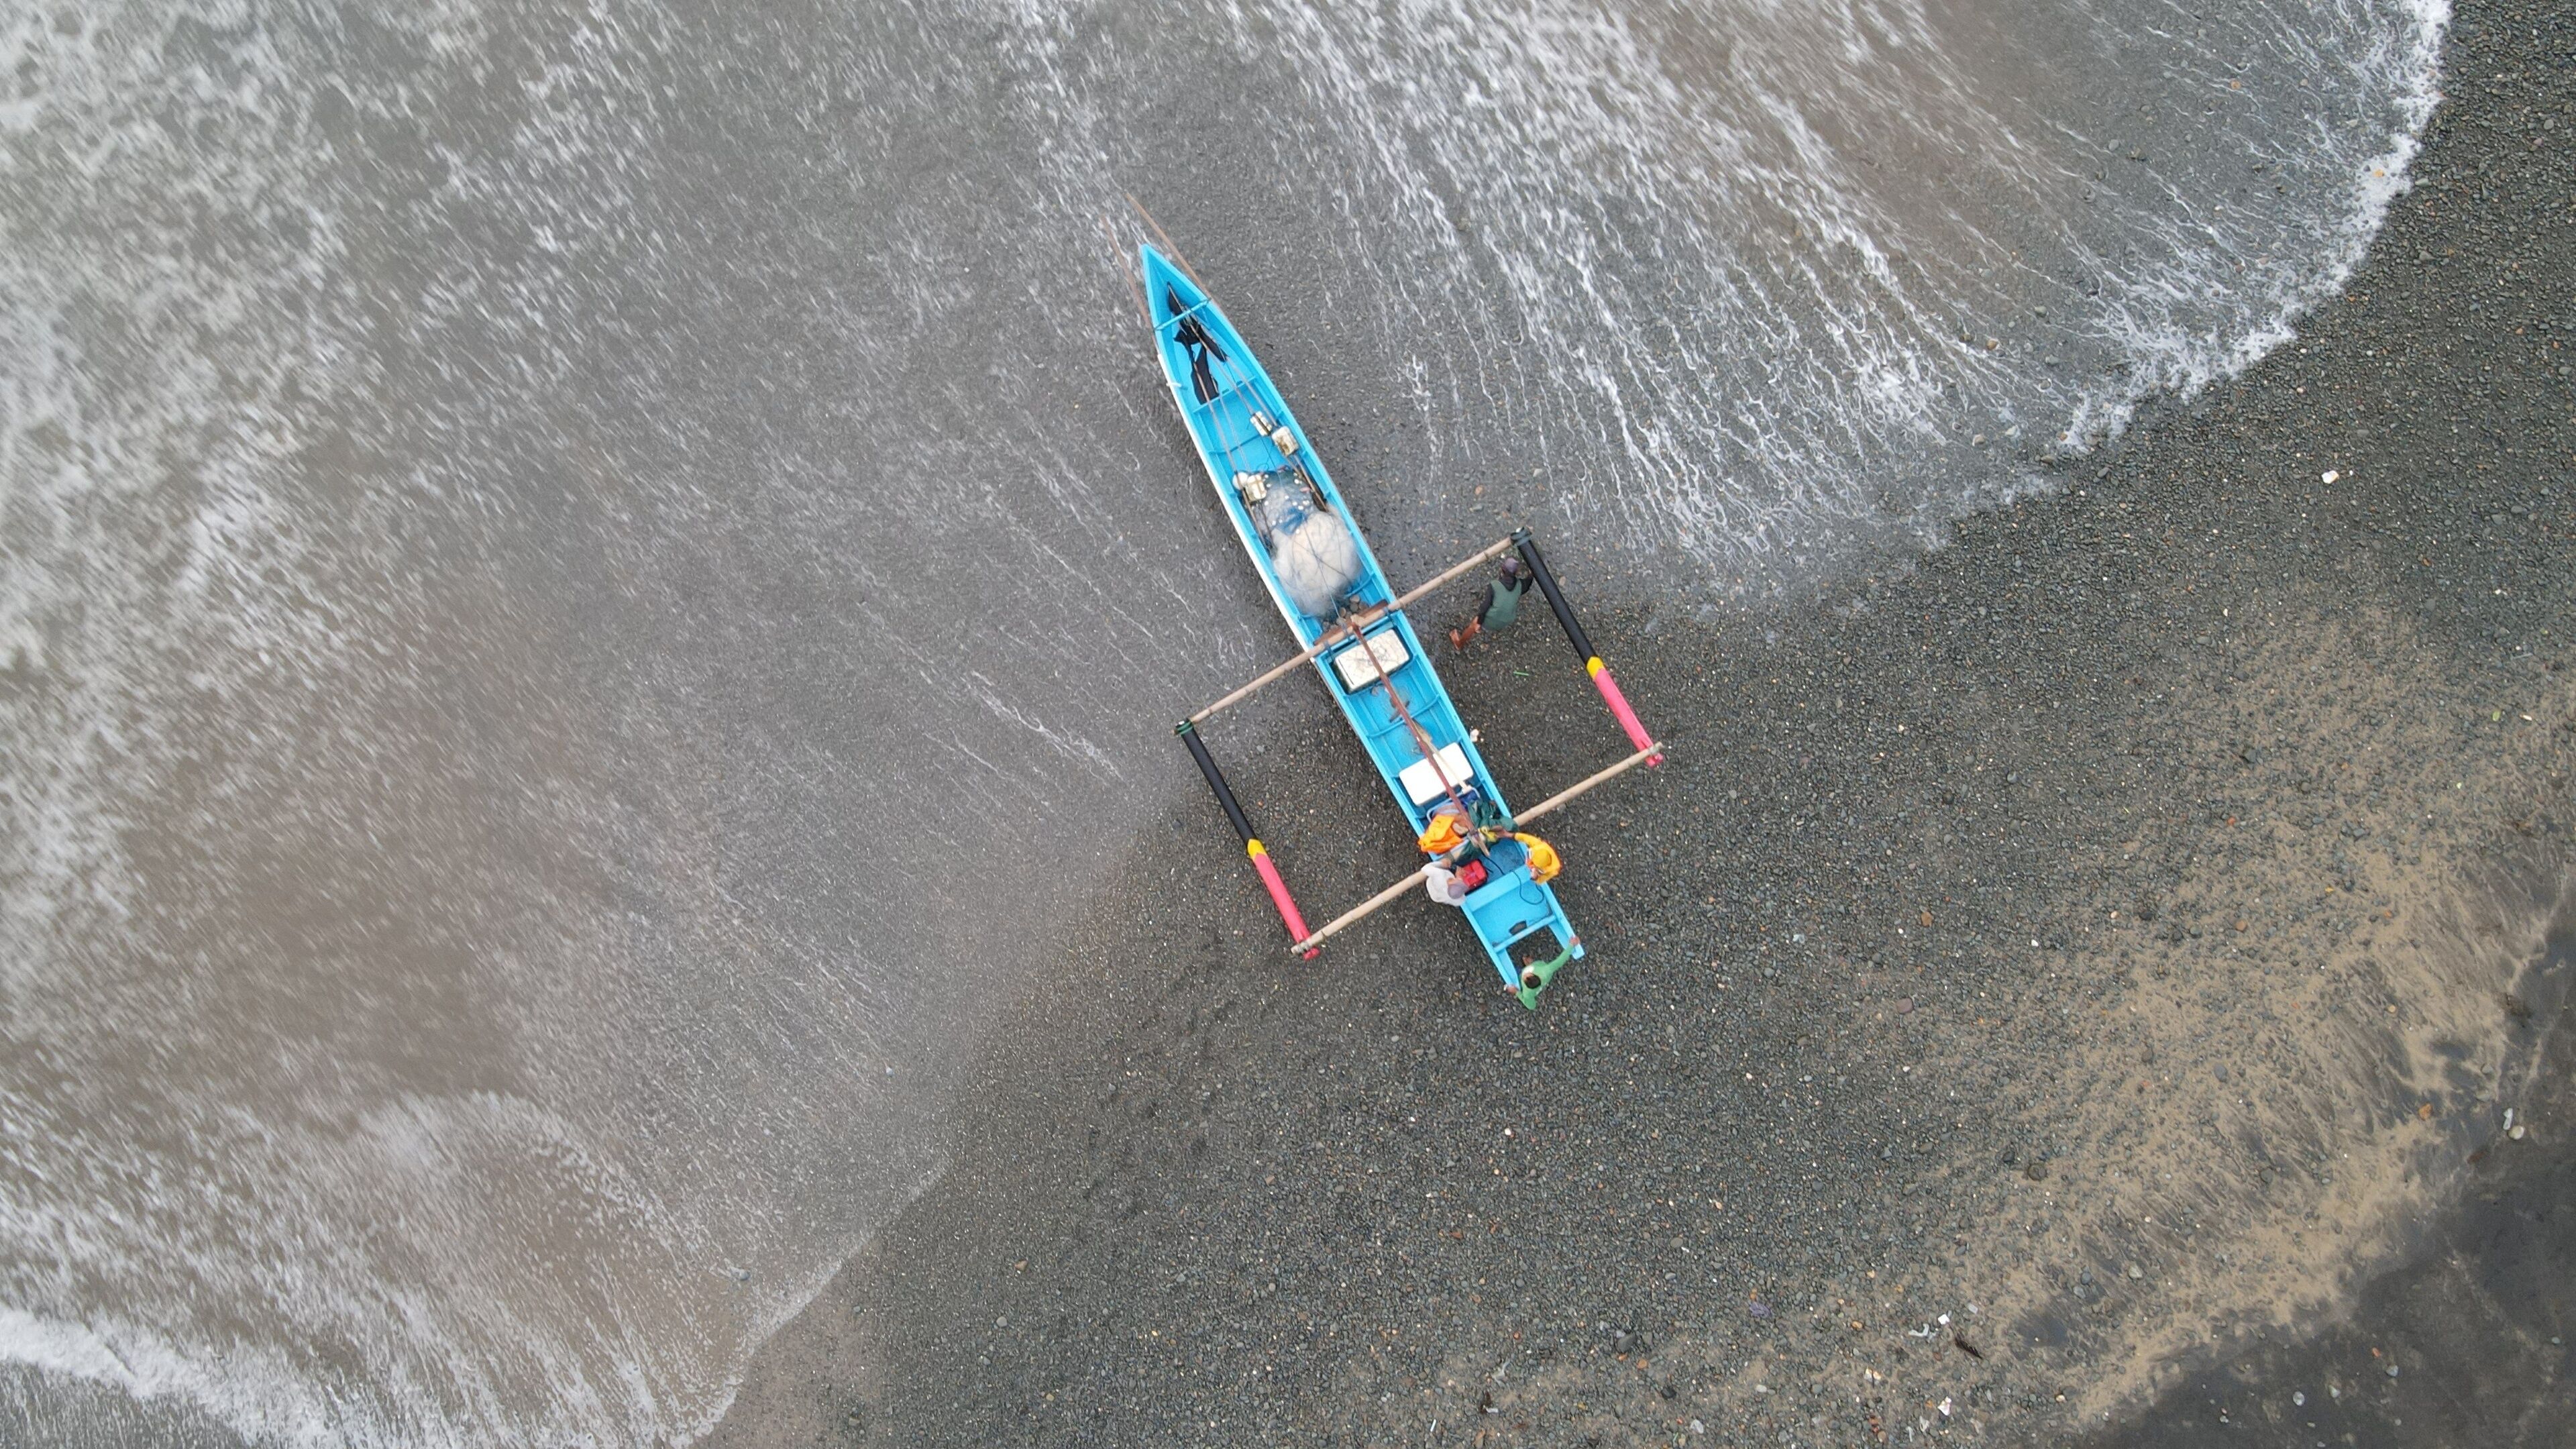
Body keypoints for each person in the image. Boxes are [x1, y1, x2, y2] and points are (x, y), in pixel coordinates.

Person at [1449, 556, 1533, 652]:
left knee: (1474, 624)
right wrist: (1531, 574)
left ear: (1502, 569)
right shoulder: (1520, 586)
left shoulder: (1494, 585)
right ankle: (1483, 627)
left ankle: (1459, 643)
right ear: (1516, 572)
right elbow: (1528, 583)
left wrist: (1479, 623)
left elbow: (1485, 607)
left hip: (1490, 622)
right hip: (1507, 620)